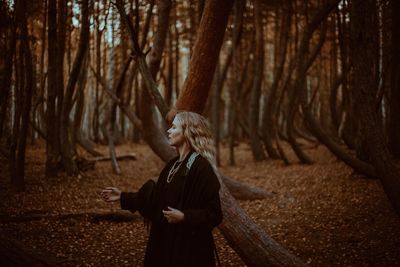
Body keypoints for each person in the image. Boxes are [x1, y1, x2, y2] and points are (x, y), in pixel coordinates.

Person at [101, 111, 223, 267]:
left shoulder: (202, 168)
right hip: (165, 244)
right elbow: (155, 200)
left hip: (189, 251)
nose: (168, 131)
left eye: (173, 127)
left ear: (187, 132)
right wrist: (123, 197)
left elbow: (215, 214)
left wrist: (185, 216)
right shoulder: (172, 165)